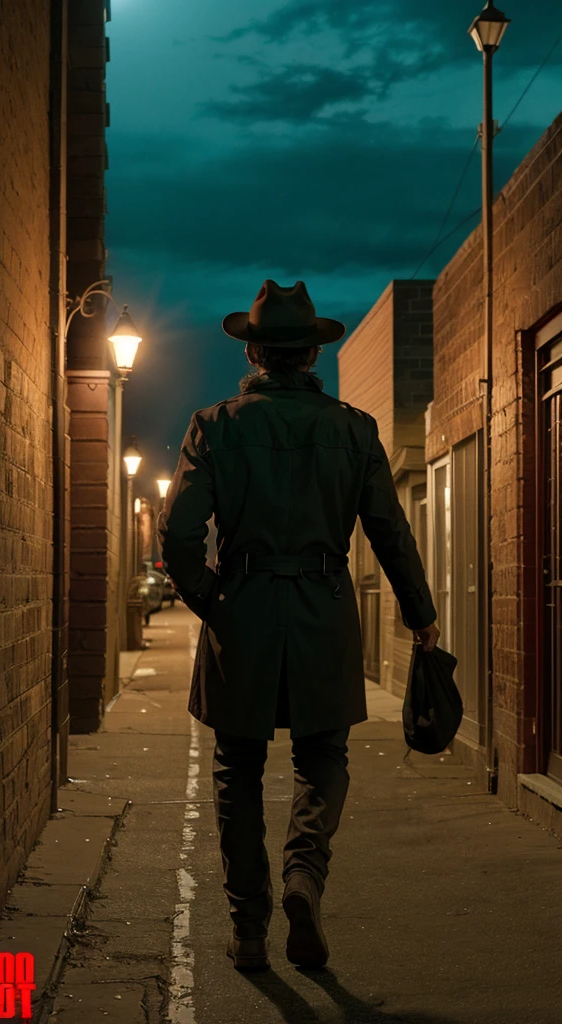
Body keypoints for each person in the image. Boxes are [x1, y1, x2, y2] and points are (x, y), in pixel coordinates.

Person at [157, 279, 440, 972]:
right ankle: (302, 878)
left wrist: (212, 602)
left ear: (253, 351)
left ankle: (248, 925)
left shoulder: (214, 425)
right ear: (311, 356)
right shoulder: (353, 428)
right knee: (323, 758)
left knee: (236, 769)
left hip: (244, 609)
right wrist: (421, 615)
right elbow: (390, 531)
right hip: (324, 609)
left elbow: (178, 534)